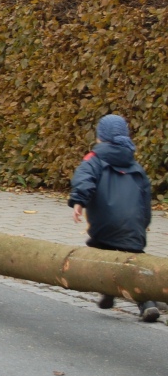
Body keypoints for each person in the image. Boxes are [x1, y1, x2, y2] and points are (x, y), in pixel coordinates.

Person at [68, 114, 160, 322]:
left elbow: (84, 179)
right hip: (133, 226)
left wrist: (78, 202)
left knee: (100, 253)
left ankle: (108, 290)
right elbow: (145, 197)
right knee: (133, 264)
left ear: (100, 137)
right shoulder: (135, 165)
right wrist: (143, 224)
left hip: (105, 224)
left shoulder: (94, 159)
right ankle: (147, 303)